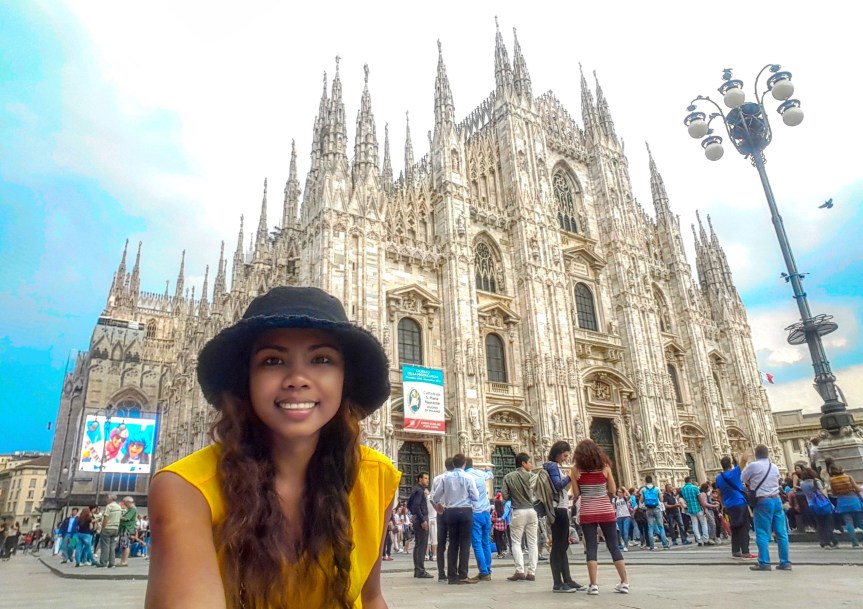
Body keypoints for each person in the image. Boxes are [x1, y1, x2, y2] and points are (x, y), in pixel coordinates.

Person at [145, 287, 400, 608]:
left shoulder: (375, 476)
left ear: (344, 380)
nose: (297, 378)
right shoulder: (187, 489)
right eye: (273, 360)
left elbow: (371, 597)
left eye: (321, 359)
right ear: (246, 381)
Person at [571, 439, 628, 595]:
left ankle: (593, 585)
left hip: (587, 512)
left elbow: (576, 494)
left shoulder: (575, 470)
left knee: (591, 547)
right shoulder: (606, 468)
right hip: (606, 510)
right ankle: (624, 582)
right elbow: (613, 489)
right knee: (613, 546)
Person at [543, 441, 585, 593]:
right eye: (565, 455)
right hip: (558, 510)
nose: (566, 458)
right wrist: (570, 476)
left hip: (560, 508)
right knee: (558, 546)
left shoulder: (552, 466)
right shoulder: (552, 466)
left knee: (563, 545)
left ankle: (567, 579)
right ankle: (557, 583)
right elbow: (557, 485)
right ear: (559, 452)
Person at [431, 453, 479, 585]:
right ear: (464, 464)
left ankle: (451, 576)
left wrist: (445, 500)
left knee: (453, 543)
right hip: (465, 511)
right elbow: (475, 496)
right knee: (465, 544)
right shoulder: (468, 477)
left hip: (450, 512)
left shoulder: (446, 478)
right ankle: (463, 574)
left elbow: (435, 498)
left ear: (453, 464)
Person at [742, 444, 791, 571]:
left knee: (762, 532)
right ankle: (785, 562)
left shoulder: (753, 466)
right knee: (781, 533)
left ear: (756, 454)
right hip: (777, 500)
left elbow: (743, 478)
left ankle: (764, 562)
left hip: (763, 501)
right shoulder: (774, 466)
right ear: (768, 454)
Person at [501, 452, 538, 582]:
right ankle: (532, 572)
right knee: (532, 542)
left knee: (516, 542)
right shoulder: (534, 477)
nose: (532, 464)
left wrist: (514, 497)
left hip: (518, 511)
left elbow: (504, 496)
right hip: (532, 511)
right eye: (529, 462)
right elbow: (538, 494)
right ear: (523, 463)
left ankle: (519, 571)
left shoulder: (508, 477)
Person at [715, 455, 754, 559]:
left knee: (734, 528)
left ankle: (735, 551)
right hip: (740, 503)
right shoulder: (735, 472)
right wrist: (746, 450)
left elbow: (719, 494)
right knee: (744, 528)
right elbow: (744, 459)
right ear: (730, 464)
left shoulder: (719, 477)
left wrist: (723, 506)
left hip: (729, 505)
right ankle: (745, 552)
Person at [465, 457, 494, 581]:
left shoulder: (465, 475)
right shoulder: (480, 473)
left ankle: (483, 571)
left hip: (475, 513)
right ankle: (488, 569)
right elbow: (490, 474)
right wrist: (488, 469)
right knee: (485, 542)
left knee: (476, 543)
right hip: (486, 513)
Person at [826, 461, 863, 548]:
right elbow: (857, 488)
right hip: (853, 500)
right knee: (859, 521)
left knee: (848, 522)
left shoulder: (831, 480)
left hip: (842, 502)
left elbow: (833, 492)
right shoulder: (848, 477)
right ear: (842, 470)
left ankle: (855, 542)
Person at [431, 457, 454, 581]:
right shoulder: (456, 478)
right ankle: (452, 572)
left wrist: (437, 508)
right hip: (453, 511)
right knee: (454, 543)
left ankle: (441, 573)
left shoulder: (437, 478)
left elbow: (432, 497)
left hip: (441, 514)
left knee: (441, 543)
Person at [407, 472, 433, 578]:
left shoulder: (415, 489)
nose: (427, 480)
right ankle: (420, 570)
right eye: (425, 478)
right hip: (422, 519)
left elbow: (409, 504)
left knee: (418, 545)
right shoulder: (420, 491)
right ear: (420, 479)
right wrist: (422, 520)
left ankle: (417, 570)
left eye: (428, 478)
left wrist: (414, 514)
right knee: (422, 545)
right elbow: (417, 506)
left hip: (417, 518)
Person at [638, 475, 669, 550]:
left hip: (648, 509)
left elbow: (641, 501)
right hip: (657, 509)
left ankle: (651, 546)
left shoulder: (643, 490)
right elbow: (661, 500)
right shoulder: (657, 488)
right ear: (652, 480)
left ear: (645, 481)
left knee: (650, 528)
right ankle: (665, 544)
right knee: (661, 527)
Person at [679, 477, 708, 545]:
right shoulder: (695, 488)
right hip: (698, 508)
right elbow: (700, 499)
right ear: (691, 481)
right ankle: (706, 539)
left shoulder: (683, 489)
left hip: (690, 509)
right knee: (703, 523)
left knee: (694, 525)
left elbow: (683, 499)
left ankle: (699, 540)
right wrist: (704, 508)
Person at [96, 495, 122, 568]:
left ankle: (103, 563)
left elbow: (106, 517)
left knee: (105, 546)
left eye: (107, 498)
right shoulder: (119, 507)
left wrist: (102, 528)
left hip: (108, 528)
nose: (106, 499)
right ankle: (112, 563)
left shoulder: (109, 506)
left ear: (111, 499)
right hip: (115, 528)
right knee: (112, 546)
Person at [118, 496, 138, 566]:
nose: (124, 504)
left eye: (125, 503)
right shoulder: (130, 509)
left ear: (129, 502)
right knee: (124, 545)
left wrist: (118, 516)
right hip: (125, 528)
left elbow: (126, 519)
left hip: (127, 528)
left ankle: (124, 561)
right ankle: (123, 561)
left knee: (125, 545)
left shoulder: (133, 509)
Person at [491, 493, 507, 559]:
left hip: (496, 528)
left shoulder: (494, 511)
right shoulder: (503, 510)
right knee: (501, 538)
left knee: (497, 540)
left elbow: (492, 519)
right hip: (502, 528)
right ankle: (504, 548)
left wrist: (495, 520)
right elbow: (504, 519)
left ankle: (499, 553)